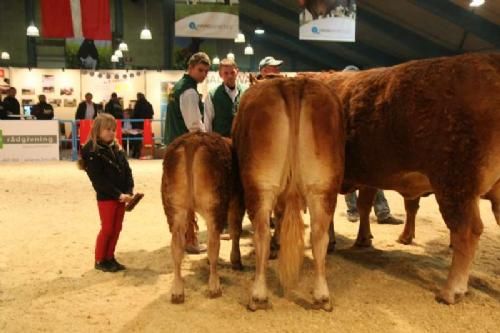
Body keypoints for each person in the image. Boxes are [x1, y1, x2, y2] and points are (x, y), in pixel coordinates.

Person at [341, 65, 402, 225]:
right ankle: (353, 210)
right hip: (348, 145)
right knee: (350, 180)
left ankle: (382, 212)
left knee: (375, 180)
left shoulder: (364, 96)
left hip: (365, 145)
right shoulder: (339, 97)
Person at [164, 51, 211, 254]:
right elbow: (194, 124)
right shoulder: (189, 91)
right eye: (200, 70)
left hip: (174, 146)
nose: (203, 75)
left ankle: (183, 237)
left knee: (179, 195)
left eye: (206, 71)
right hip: (185, 149)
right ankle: (190, 240)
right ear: (190, 68)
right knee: (189, 194)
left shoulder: (178, 88)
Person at [78, 113, 135, 272]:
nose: (111, 132)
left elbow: (127, 171)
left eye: (113, 129)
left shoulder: (117, 148)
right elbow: (99, 180)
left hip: (122, 197)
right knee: (108, 228)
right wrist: (118, 194)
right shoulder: (91, 151)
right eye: (107, 129)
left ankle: (110, 257)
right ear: (97, 130)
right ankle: (99, 259)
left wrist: (129, 191)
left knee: (117, 228)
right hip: (107, 198)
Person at [204, 58, 244, 137]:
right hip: (221, 144)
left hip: (242, 142)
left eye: (232, 72)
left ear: (237, 72)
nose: (230, 76)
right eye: (226, 73)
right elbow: (207, 124)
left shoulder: (245, 92)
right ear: (220, 74)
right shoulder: (212, 95)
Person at [131, 93, 154, 158]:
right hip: (147, 125)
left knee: (137, 138)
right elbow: (152, 114)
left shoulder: (138, 104)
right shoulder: (149, 104)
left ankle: (137, 153)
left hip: (138, 124)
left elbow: (135, 114)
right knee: (146, 139)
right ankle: (147, 154)